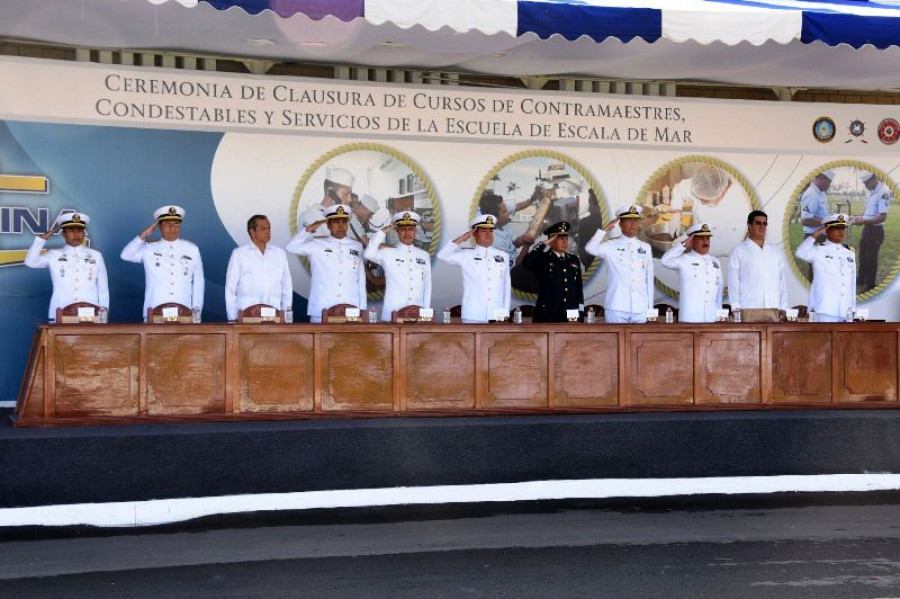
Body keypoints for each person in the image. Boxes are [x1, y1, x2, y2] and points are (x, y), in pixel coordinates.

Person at [121, 205, 204, 320]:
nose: (172, 228)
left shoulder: (192, 249)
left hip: (184, 310)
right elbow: (125, 255)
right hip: (154, 309)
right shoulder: (149, 248)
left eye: (176, 225)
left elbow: (198, 282)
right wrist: (143, 235)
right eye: (167, 224)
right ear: (159, 227)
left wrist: (196, 310)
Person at [286, 204, 366, 323]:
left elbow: (361, 280)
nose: (340, 226)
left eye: (344, 222)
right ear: (328, 225)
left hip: (350, 309)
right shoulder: (317, 245)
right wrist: (310, 229)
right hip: (321, 309)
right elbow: (291, 247)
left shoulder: (357, 246)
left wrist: (362, 309)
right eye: (336, 222)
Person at [24, 212, 109, 322]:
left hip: (89, 313)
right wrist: (41, 240)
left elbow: (103, 287)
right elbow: (30, 262)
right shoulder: (54, 255)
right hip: (60, 311)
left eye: (80, 231)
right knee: (60, 339)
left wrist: (103, 313)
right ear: (64, 234)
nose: (76, 234)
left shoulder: (96, 255)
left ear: (84, 233)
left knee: (87, 339)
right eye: (71, 231)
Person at [583, 204, 654, 324]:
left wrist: (650, 308)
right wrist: (604, 230)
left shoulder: (645, 247)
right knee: (615, 342)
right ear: (620, 224)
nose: (634, 224)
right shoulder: (610, 246)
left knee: (639, 342)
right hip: (617, 306)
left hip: (640, 307)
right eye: (629, 221)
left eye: (636, 220)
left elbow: (649, 280)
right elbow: (590, 248)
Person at [437, 214, 511, 323]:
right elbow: (442, 255)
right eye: (483, 231)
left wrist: (505, 313)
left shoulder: (503, 256)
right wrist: (461, 239)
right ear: (475, 234)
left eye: (490, 231)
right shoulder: (466, 255)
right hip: (473, 315)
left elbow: (506, 285)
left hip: (496, 315)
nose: (488, 234)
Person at [363, 211, 432, 321]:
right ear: (397, 231)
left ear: (415, 230)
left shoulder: (424, 255)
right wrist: (382, 232)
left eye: (410, 229)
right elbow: (368, 254)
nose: (407, 233)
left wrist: (426, 314)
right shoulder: (388, 253)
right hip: (392, 314)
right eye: (403, 229)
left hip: (418, 315)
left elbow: (427, 286)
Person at [224, 214, 293, 322]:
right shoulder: (239, 254)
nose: (268, 232)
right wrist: (233, 317)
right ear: (252, 232)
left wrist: (286, 316)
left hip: (274, 315)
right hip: (246, 315)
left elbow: (286, 287)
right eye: (263, 229)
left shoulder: (279, 254)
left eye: (269, 228)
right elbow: (230, 288)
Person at [795, 214, 856, 322]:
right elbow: (800, 253)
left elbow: (852, 283)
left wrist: (852, 308)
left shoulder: (849, 253)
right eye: (836, 228)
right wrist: (815, 234)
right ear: (826, 230)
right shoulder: (818, 250)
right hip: (824, 308)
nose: (841, 231)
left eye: (843, 228)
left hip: (846, 310)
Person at [521, 221, 584, 323]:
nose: (565, 242)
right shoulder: (543, 259)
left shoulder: (573, 260)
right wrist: (543, 244)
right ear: (551, 241)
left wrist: (580, 314)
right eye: (561, 239)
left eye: (566, 239)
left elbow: (578, 290)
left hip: (570, 314)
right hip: (547, 314)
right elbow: (526, 262)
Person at [660, 223, 723, 323]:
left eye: (707, 238)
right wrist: (684, 244)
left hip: (711, 318)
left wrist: (719, 315)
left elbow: (719, 290)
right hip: (690, 318)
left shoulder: (715, 262)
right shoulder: (683, 259)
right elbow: (664, 260)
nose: (705, 242)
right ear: (692, 240)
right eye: (701, 238)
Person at [727, 210, 788, 313]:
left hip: (773, 310)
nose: (762, 227)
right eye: (758, 223)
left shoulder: (775, 252)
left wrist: (783, 308)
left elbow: (782, 283)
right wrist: (736, 309)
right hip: (748, 310)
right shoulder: (739, 250)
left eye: (764, 224)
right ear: (749, 226)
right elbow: (733, 282)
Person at [852, 171, 891, 292]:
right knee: (862, 255)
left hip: (876, 231)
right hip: (867, 229)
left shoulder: (883, 192)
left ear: (874, 179)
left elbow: (882, 217)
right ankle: (861, 279)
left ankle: (870, 285)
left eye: (866, 182)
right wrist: (859, 217)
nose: (864, 185)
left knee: (871, 258)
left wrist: (863, 221)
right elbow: (868, 211)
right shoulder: (870, 192)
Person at [301, 166, 355, 238]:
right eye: (345, 194)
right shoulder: (311, 217)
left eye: (350, 195)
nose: (350, 199)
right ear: (331, 192)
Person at [800, 170, 834, 236]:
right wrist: (827, 221)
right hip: (814, 236)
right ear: (821, 178)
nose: (829, 185)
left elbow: (821, 214)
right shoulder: (811, 194)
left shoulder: (820, 193)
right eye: (829, 182)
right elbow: (805, 220)